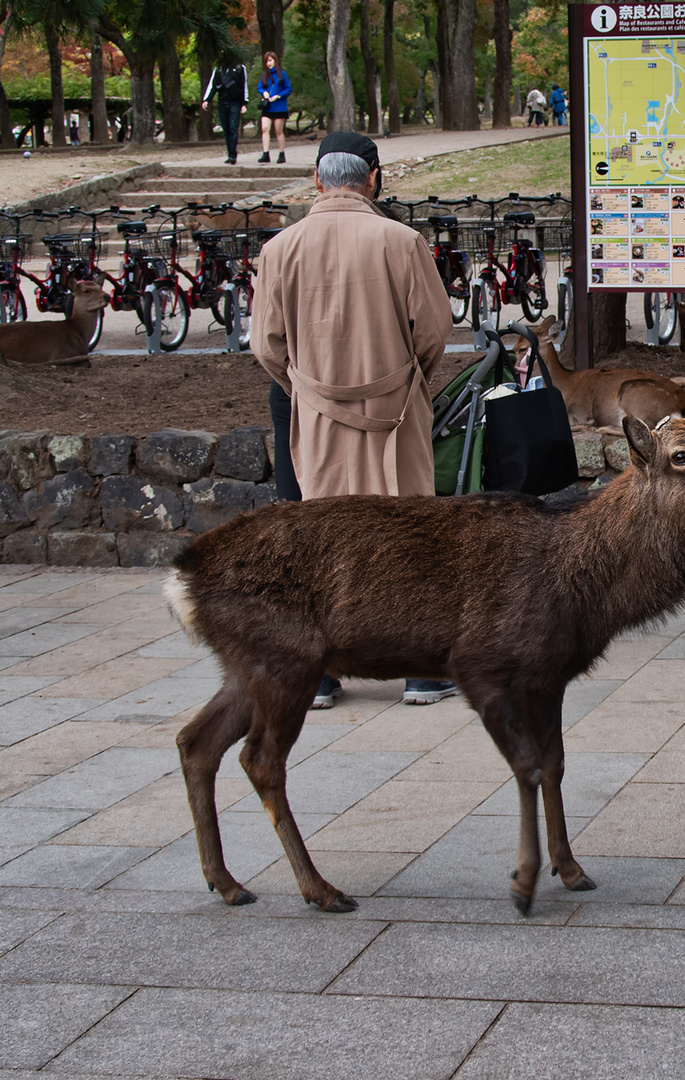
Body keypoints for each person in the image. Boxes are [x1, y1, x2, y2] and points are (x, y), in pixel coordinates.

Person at [250, 131, 457, 710]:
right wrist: (408, 380)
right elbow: (434, 332)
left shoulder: (280, 249)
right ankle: (419, 670)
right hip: (394, 412)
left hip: (313, 413)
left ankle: (317, 674)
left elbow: (266, 344)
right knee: (407, 534)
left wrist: (305, 389)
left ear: (317, 179)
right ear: (374, 178)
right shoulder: (402, 240)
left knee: (315, 537)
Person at [202, 54, 248, 164]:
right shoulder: (219, 69)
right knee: (226, 129)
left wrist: (244, 103)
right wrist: (207, 99)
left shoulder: (239, 68)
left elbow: (243, 86)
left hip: (235, 103)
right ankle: (229, 153)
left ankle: (233, 154)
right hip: (223, 103)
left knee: (233, 127)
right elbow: (212, 85)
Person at [255, 52, 291, 164]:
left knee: (278, 130)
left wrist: (278, 96)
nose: (268, 63)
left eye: (270, 60)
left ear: (275, 60)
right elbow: (259, 87)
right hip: (268, 106)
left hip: (279, 106)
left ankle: (281, 153)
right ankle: (265, 153)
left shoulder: (282, 74)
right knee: (265, 128)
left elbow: (288, 89)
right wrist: (264, 92)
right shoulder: (264, 75)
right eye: (266, 61)